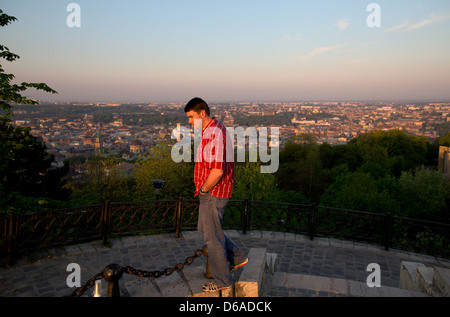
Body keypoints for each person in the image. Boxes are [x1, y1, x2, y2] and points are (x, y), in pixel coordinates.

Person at [184, 97, 249, 293]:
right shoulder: (213, 130)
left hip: (213, 192)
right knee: (205, 229)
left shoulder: (213, 134)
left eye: (191, 117)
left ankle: (223, 281)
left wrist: (204, 189)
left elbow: (217, 171)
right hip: (212, 192)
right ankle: (237, 257)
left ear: (202, 113)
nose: (189, 121)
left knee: (212, 238)